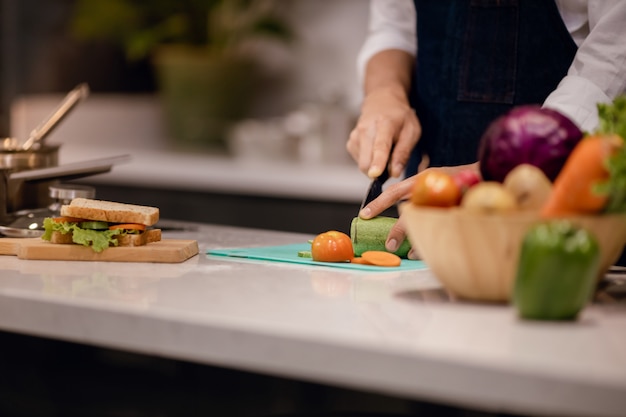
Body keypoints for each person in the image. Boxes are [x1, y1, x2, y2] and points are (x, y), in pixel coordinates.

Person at [347, 0, 626, 259]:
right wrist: (384, 93)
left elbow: (614, 47)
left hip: (562, 227)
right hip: (429, 213)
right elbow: (393, 29)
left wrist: (517, 171)